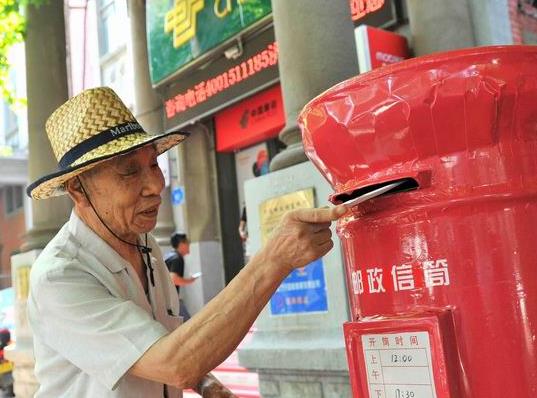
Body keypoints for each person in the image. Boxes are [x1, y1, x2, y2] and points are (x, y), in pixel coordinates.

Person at [26, 87, 347, 397]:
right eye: (129, 172)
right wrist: (274, 260)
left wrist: (206, 384)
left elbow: (159, 342)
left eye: (153, 164)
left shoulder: (146, 246)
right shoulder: (60, 277)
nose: (155, 185)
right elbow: (174, 363)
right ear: (78, 190)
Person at [165, 233, 196, 321]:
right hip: (170, 302)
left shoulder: (170, 255)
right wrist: (189, 281)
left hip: (165, 300)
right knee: (188, 324)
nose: (189, 245)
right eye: (187, 242)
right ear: (181, 244)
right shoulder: (177, 258)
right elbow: (173, 279)